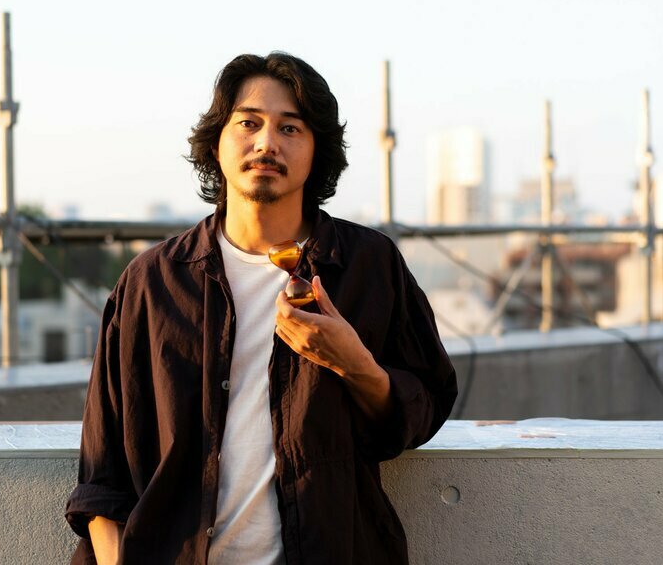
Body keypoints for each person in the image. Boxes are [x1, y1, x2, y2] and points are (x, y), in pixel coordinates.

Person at [65, 52, 457, 565]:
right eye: (248, 123)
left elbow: (426, 406)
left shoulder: (367, 264)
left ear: (317, 152)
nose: (267, 143)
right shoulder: (152, 282)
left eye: (290, 128)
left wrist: (354, 363)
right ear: (217, 142)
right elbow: (103, 473)